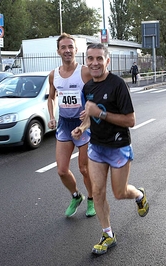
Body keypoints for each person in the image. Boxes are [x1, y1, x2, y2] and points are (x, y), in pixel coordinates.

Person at [72, 43, 149, 255]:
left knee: (119, 192)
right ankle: (108, 234)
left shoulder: (118, 85)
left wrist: (101, 113)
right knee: (97, 192)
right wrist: (81, 128)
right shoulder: (87, 88)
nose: (94, 63)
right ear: (86, 61)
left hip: (118, 146)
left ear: (107, 61)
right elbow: (89, 118)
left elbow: (131, 120)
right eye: (90, 59)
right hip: (96, 147)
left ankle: (138, 195)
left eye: (99, 58)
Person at [47, 33, 96, 218]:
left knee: (84, 168)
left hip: (84, 125)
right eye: (63, 47)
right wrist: (51, 116)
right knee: (61, 170)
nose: (67, 50)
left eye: (70, 47)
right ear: (58, 51)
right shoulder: (54, 75)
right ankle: (76, 196)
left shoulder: (84, 72)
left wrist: (90, 110)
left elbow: (97, 92)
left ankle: (91, 199)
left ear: (76, 50)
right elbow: (51, 98)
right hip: (64, 125)